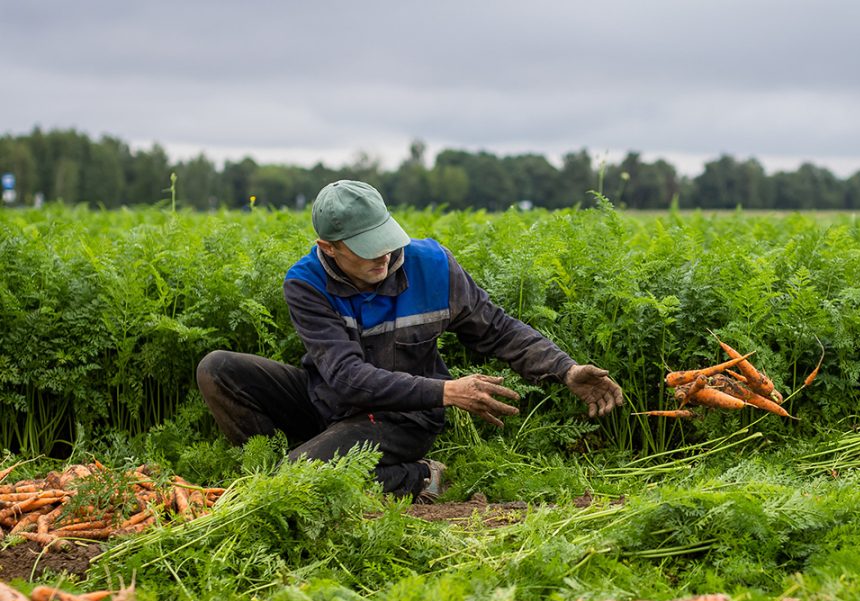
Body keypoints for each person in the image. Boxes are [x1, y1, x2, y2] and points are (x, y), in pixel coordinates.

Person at [196, 180, 623, 502]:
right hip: (331, 400)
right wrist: (450, 390)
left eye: (384, 238)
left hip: (405, 416)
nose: (383, 255)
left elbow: (497, 328)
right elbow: (346, 378)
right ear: (328, 248)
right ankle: (285, 471)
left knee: (296, 478)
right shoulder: (306, 283)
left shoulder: (432, 266)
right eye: (366, 248)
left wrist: (565, 369)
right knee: (218, 369)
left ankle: (415, 475)